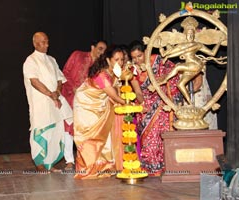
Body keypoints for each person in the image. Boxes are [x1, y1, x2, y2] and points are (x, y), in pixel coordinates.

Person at [129, 40, 182, 176]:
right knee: (148, 138)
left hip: (163, 103)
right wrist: (143, 104)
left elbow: (173, 75)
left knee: (162, 135)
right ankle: (153, 166)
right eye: (133, 58)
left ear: (146, 52)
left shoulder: (158, 61)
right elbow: (138, 92)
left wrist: (166, 97)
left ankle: (168, 164)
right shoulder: (133, 70)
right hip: (146, 105)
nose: (137, 60)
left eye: (139, 56)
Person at [23, 32, 73, 173]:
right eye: (43, 42)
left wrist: (57, 92)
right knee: (41, 131)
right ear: (35, 43)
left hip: (54, 101)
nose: (46, 44)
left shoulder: (51, 59)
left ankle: (50, 163)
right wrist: (50, 94)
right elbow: (34, 81)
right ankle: (39, 164)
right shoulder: (30, 60)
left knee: (56, 131)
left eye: (47, 41)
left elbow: (59, 78)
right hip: (41, 103)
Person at [73, 46, 126, 179]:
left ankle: (104, 166)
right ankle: (88, 168)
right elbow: (115, 96)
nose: (120, 63)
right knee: (91, 136)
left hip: (102, 105)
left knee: (105, 134)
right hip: (86, 105)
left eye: (122, 59)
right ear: (108, 60)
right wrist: (131, 104)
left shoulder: (114, 72)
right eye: (116, 60)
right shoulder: (102, 75)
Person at [61, 40, 107, 170]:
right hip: (70, 97)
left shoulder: (99, 66)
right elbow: (65, 72)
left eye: (104, 50)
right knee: (68, 129)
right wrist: (72, 88)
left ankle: (86, 159)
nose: (101, 52)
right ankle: (69, 160)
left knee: (84, 130)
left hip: (86, 103)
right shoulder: (77, 55)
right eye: (100, 48)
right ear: (92, 47)